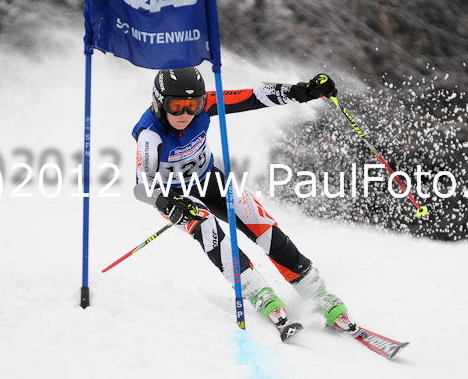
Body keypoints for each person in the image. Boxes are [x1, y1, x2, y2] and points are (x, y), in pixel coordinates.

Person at [132, 67, 356, 338]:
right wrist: (168, 204)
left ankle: (319, 295)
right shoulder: (150, 136)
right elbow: (142, 188)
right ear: (159, 103)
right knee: (209, 229)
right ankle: (260, 294)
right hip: (176, 196)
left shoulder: (205, 107)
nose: (186, 115)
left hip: (209, 179)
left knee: (259, 222)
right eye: (176, 106)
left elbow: (255, 97)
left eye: (193, 106)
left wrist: (303, 92)